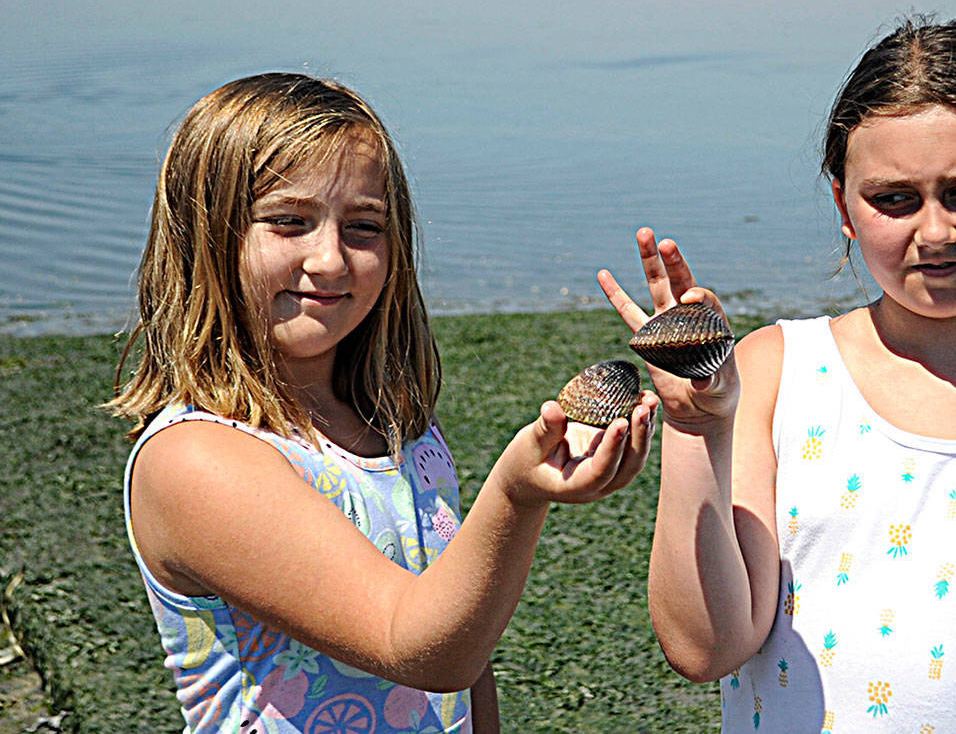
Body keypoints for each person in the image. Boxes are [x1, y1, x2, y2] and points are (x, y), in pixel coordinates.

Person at [599, 18, 956, 731]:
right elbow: (704, 642)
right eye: (893, 199)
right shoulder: (776, 377)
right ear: (843, 206)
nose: (934, 232)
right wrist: (695, 424)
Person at [110, 72, 657, 733]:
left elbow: (468, 657)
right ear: (209, 234)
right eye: (290, 222)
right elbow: (421, 647)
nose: (331, 260)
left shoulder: (398, 429)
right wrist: (516, 496)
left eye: (364, 226)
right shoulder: (196, 461)